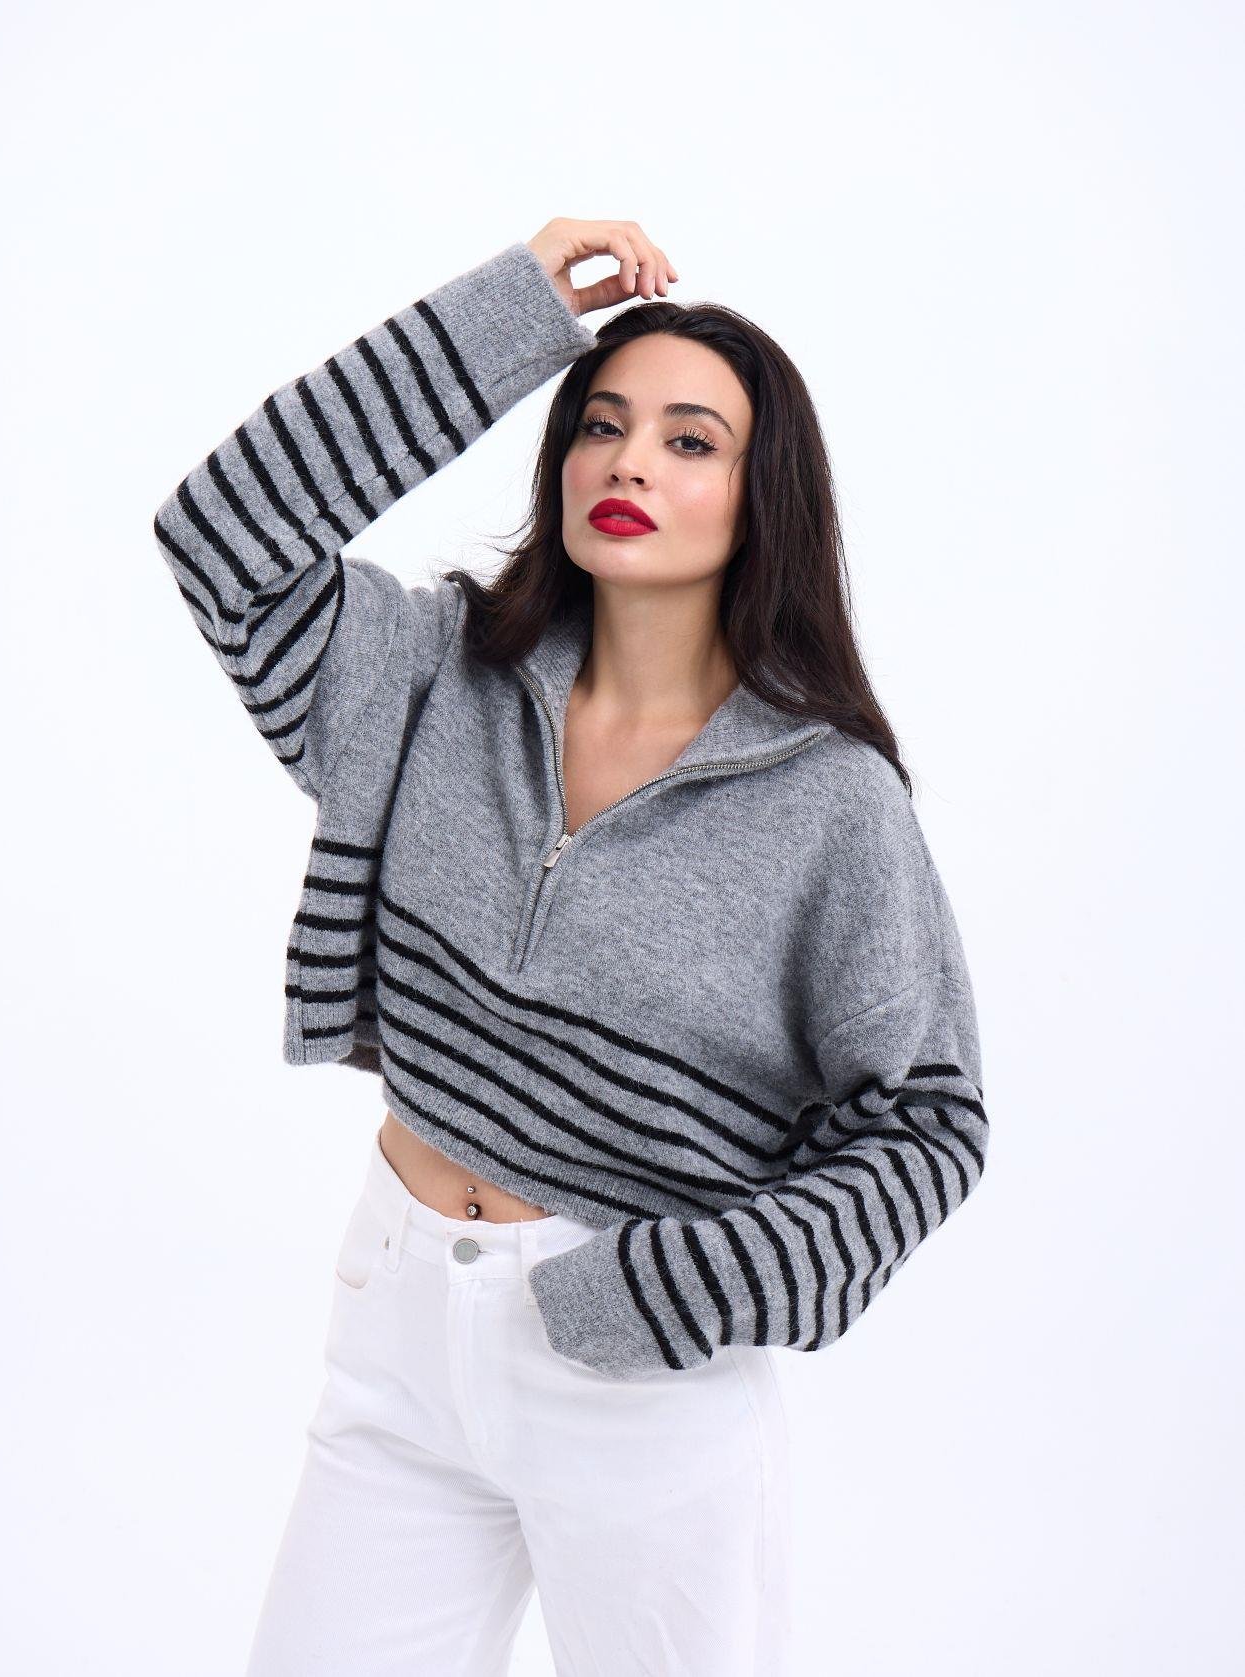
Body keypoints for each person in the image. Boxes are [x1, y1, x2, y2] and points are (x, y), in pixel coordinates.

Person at [153, 216, 990, 1676]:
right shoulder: (429, 678)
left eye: (689, 441)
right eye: (602, 425)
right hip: (399, 1322)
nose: (629, 463)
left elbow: (928, 1121)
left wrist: (678, 1284)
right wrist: (516, 314)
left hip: (638, 1375)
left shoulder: (829, 800)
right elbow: (221, 535)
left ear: (762, 500)